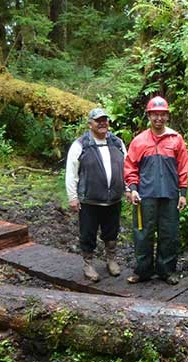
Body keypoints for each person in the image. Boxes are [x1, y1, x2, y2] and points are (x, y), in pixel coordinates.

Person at [124, 96, 188, 285]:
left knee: (169, 234)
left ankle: (166, 271)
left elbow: (183, 166)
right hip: (145, 196)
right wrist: (133, 189)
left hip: (169, 195)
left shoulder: (176, 139)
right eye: (155, 115)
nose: (158, 119)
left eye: (162, 115)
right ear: (149, 116)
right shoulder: (139, 141)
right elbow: (130, 167)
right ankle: (142, 271)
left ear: (167, 116)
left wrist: (183, 193)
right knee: (142, 233)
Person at [65, 107, 127, 282]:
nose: (102, 123)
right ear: (90, 124)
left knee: (112, 232)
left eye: (105, 120)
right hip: (89, 200)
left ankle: (111, 260)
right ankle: (88, 264)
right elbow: (71, 172)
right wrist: (73, 197)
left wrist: (129, 189)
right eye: (98, 120)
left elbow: (127, 169)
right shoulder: (81, 144)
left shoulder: (117, 143)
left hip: (113, 199)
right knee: (88, 233)